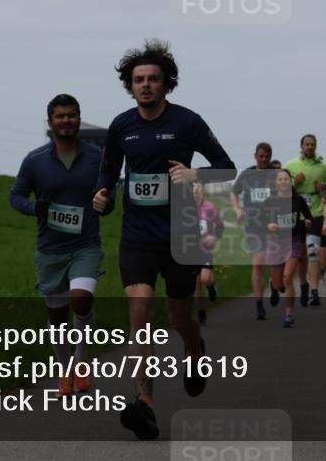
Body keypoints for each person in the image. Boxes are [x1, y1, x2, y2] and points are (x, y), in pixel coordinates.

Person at [93, 40, 236, 440]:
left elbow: (227, 168)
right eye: (138, 79)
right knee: (140, 315)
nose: (146, 85)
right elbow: (107, 174)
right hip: (137, 236)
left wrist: (195, 175)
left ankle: (195, 351)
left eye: (153, 79)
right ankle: (145, 405)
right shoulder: (122, 126)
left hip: (181, 235)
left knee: (180, 320)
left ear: (166, 84)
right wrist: (102, 197)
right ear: (130, 85)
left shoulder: (188, 123)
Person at [9, 94, 103, 397]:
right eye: (60, 116)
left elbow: (108, 190)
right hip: (50, 249)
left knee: (82, 299)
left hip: (86, 245)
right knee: (58, 316)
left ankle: (80, 361)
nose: (66, 121)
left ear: (78, 118)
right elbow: (16, 196)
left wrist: (107, 202)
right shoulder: (35, 160)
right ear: (50, 123)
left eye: (72, 115)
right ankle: (65, 371)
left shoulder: (95, 157)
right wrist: (33, 208)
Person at [284, 135, 326, 307]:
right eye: (307, 144)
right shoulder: (291, 165)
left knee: (312, 250)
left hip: (315, 212)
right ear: (301, 146)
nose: (310, 147)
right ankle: (304, 285)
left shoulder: (322, 166)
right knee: (301, 255)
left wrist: (325, 186)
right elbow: (280, 182)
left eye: (312, 144)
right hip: (296, 215)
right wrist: (293, 181)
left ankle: (314, 291)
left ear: (316, 147)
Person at [231, 142, 277, 321]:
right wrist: (237, 209)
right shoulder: (247, 174)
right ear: (255, 156)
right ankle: (259, 304)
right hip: (253, 225)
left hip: (273, 224)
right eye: (261, 156)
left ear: (270, 157)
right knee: (258, 263)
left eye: (266, 157)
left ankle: (275, 285)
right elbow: (234, 192)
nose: (264, 159)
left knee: (273, 263)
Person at [263, 168, 313, 328]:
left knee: (288, 278)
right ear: (276, 183)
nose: (283, 182)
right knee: (280, 285)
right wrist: (268, 225)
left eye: (286, 179)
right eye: (280, 180)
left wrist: (308, 222)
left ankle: (289, 315)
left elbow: (309, 216)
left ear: (290, 181)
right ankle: (274, 285)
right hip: (275, 243)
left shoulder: (298, 200)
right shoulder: (270, 201)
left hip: (293, 241)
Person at [193, 182, 224, 325]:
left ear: (203, 190)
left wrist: (214, 237)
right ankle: (201, 311)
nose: (197, 189)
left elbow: (220, 226)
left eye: (199, 186)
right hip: (189, 249)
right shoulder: (183, 207)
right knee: (196, 282)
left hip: (205, 249)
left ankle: (211, 285)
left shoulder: (209, 207)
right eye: (193, 186)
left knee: (204, 279)